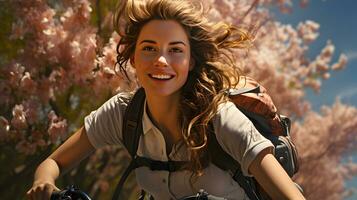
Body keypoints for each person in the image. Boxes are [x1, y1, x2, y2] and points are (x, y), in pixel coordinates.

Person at [26, 0, 306, 199]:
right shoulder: (123, 114)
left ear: (190, 61)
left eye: (175, 50)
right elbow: (53, 163)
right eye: (149, 48)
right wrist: (44, 183)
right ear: (133, 57)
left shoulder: (220, 119)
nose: (161, 61)